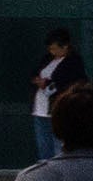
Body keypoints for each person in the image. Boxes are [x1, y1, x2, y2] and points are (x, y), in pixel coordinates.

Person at [26, 26, 81, 165]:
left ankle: (59, 173)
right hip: (40, 109)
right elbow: (34, 72)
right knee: (43, 146)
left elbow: (69, 84)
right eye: (50, 49)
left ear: (65, 46)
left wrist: (48, 84)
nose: (52, 52)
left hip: (58, 109)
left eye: (55, 49)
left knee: (58, 145)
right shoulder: (47, 59)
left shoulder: (73, 62)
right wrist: (37, 80)